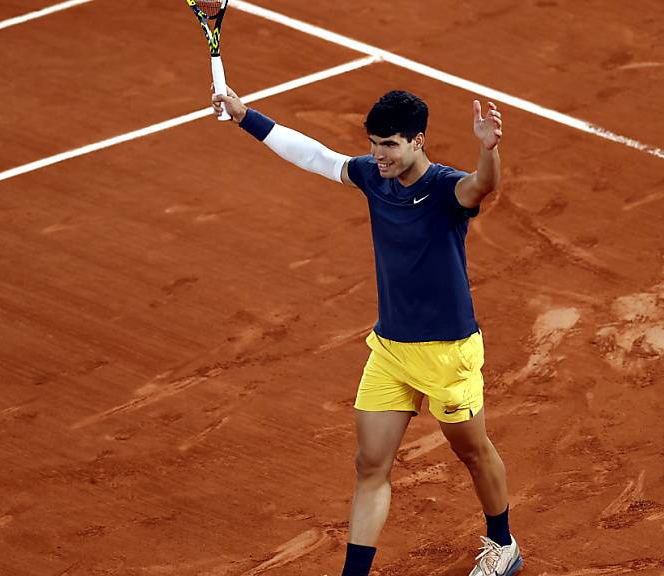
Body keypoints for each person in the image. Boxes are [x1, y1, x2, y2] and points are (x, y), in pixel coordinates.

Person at [212, 86, 521, 576]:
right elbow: (314, 155)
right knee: (370, 463)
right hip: (391, 349)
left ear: (418, 141)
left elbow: (482, 186)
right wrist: (246, 115)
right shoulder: (373, 177)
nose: (378, 155)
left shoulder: (444, 188)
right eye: (374, 143)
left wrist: (489, 149)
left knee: (472, 452)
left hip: (448, 353)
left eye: (390, 145)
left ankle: (503, 543)